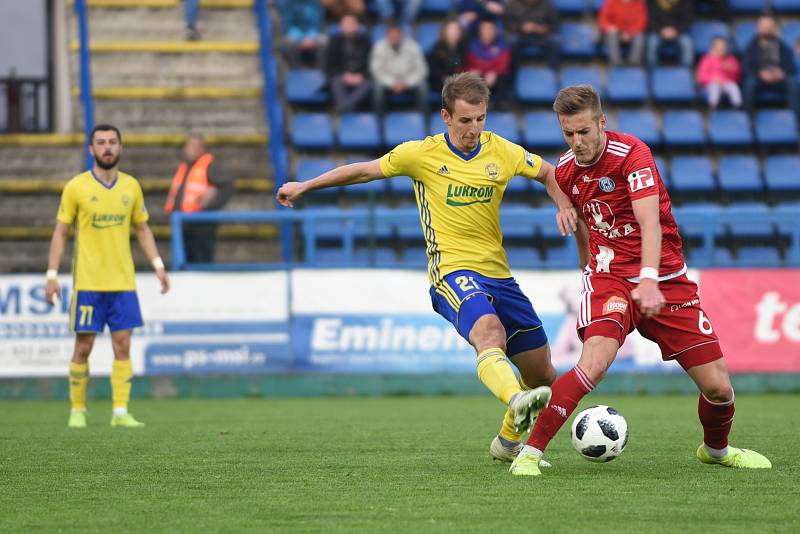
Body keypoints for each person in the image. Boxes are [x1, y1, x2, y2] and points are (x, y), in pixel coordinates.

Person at [277, 72, 579, 463]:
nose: (474, 129)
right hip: (452, 273)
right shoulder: (420, 154)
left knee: (543, 373)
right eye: (465, 121)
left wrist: (563, 204)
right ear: (446, 116)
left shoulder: (501, 150)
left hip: (500, 275)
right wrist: (305, 186)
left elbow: (548, 173)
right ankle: (516, 398)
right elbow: (363, 170)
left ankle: (507, 441)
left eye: (481, 119)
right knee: (489, 332)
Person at [509, 84, 772, 476]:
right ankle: (529, 453)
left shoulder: (632, 154)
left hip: (665, 278)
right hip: (609, 278)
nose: (577, 142)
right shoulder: (565, 170)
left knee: (718, 388)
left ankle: (717, 451)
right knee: (594, 361)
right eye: (568, 133)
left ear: (602, 122)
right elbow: (582, 221)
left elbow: (650, 222)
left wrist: (649, 280)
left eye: (584, 131)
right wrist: (587, 267)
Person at [45, 124, 170, 429]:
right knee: (83, 346)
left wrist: (157, 264)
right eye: (100, 142)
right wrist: (51, 274)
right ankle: (77, 410)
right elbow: (61, 231)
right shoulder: (76, 187)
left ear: (120, 147)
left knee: (123, 344)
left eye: (112, 142)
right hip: (88, 282)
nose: (107, 147)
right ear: (91, 150)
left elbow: (142, 227)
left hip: (123, 282)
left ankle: (120, 412)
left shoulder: (131, 187)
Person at [164, 134, 234, 265]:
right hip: (183, 225)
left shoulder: (210, 166)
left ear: (203, 148)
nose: (192, 149)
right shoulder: (185, 167)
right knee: (185, 265)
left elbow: (227, 186)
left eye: (197, 146)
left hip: (201, 226)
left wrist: (210, 205)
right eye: (190, 146)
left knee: (201, 263)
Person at [742, 15, 799, 116]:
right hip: (759, 80)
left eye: (769, 26)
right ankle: (748, 118)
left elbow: (791, 66)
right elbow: (746, 67)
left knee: (793, 82)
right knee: (749, 83)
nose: (766, 29)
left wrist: (782, 73)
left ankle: (795, 119)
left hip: (779, 80)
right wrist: (760, 74)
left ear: (773, 28)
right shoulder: (751, 47)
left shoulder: (782, 46)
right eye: (764, 26)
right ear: (758, 27)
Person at [369, 21, 429, 114]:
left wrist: (407, 83)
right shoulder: (379, 47)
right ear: (387, 35)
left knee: (423, 86)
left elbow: (422, 69)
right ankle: (379, 118)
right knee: (377, 87)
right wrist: (392, 82)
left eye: (396, 34)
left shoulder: (413, 46)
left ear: (402, 34)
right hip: (388, 82)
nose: (394, 37)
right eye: (391, 34)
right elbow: (376, 71)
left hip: (409, 81)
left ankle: (423, 117)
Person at [326, 14, 372, 113]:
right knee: (335, 81)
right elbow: (330, 65)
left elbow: (370, 62)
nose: (349, 26)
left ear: (357, 26)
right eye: (346, 23)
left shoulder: (365, 41)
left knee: (369, 83)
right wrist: (344, 75)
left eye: (352, 23)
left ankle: (343, 109)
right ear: (341, 26)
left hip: (360, 76)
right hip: (341, 75)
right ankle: (347, 108)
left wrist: (361, 75)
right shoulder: (334, 41)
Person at [465, 19, 513, 107]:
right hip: (479, 78)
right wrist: (483, 72)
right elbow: (471, 63)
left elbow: (503, 64)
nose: (487, 32)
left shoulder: (502, 45)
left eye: (490, 30)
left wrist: (494, 72)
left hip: (495, 80)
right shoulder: (473, 45)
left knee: (504, 76)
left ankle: (499, 104)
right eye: (484, 29)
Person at [504, 0, 560, 71]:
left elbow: (555, 25)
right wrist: (521, 27)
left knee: (555, 40)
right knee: (512, 40)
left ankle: (553, 71)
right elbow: (508, 25)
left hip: (542, 36)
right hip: (521, 36)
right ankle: (515, 71)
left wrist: (543, 29)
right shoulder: (513, 4)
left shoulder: (548, 4)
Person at [597, 0, 648, 67]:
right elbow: (603, 19)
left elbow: (642, 21)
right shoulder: (611, 2)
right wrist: (610, 28)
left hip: (632, 32)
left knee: (640, 36)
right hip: (615, 31)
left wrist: (629, 33)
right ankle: (616, 63)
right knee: (612, 35)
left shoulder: (639, 3)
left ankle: (634, 63)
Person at [696, 36, 741, 109]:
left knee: (733, 87)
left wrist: (730, 70)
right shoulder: (707, 59)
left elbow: (737, 76)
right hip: (711, 83)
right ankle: (713, 107)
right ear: (713, 47)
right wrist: (712, 79)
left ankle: (737, 107)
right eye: (719, 46)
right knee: (714, 88)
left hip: (727, 82)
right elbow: (701, 76)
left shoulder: (731, 59)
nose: (722, 48)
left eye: (724, 46)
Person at [645, 0, 693, 68]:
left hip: (678, 32)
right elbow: (650, 19)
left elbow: (688, 20)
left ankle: (685, 72)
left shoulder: (684, 2)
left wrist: (676, 30)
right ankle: (652, 71)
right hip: (659, 32)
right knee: (652, 43)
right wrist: (661, 30)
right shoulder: (653, 1)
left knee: (687, 43)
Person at [279, 0, 326, 67]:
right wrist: (300, 39)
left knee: (323, 41)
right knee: (289, 41)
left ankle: (320, 69)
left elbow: (319, 23)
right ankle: (295, 68)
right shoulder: (289, 2)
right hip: (295, 31)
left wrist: (310, 38)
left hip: (312, 32)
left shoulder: (316, 2)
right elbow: (287, 23)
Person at [428, 20, 467, 94]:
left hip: (460, 80)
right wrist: (444, 77)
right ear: (445, 31)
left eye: (456, 30)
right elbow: (433, 70)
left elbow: (465, 66)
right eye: (451, 30)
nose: (454, 32)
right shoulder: (437, 49)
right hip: (441, 81)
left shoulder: (463, 48)